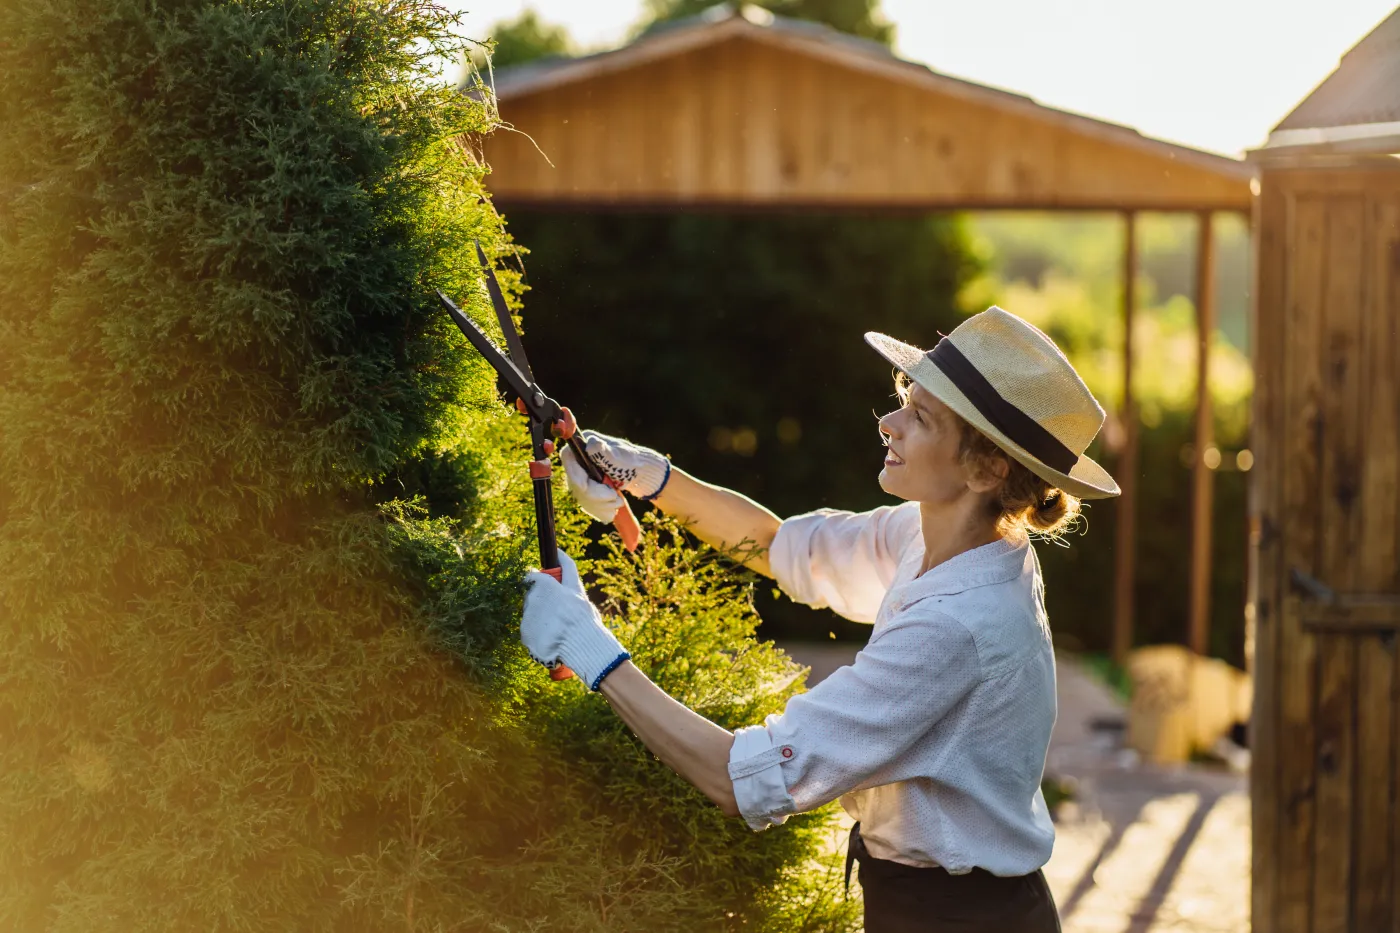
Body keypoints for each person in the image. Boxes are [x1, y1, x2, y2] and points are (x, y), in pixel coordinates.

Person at [519, 306, 1120, 933]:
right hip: (929, 906)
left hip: (962, 919)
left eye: (920, 418)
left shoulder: (957, 626)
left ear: (986, 468)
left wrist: (587, 647)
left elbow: (739, 779)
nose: (888, 422)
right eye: (903, 402)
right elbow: (780, 546)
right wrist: (649, 476)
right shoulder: (943, 537)